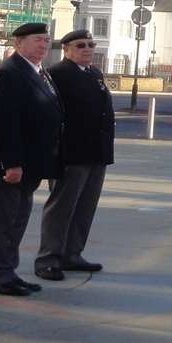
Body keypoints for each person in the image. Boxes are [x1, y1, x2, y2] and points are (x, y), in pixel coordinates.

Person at [0, 21, 62, 296]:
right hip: (15, 164)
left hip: (33, 163)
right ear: (18, 43)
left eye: (46, 40)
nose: (43, 45)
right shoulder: (12, 72)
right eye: (37, 39)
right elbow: (5, 122)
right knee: (2, 221)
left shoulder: (39, 72)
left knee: (17, 219)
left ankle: (8, 271)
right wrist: (10, 162)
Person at [37, 29, 115, 280]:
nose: (88, 49)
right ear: (67, 49)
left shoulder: (94, 73)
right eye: (81, 45)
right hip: (71, 152)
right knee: (62, 207)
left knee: (85, 207)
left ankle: (72, 254)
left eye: (91, 44)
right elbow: (50, 113)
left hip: (96, 151)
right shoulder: (57, 74)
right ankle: (49, 259)